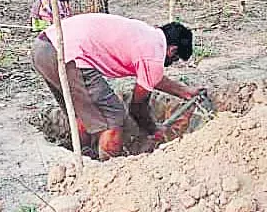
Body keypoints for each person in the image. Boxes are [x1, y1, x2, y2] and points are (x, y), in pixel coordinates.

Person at [31, 13, 203, 160]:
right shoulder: (153, 55)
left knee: (82, 109)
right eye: (174, 60)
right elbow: (137, 107)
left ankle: (84, 156)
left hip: (44, 47)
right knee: (113, 118)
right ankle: (109, 173)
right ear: (172, 50)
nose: (169, 64)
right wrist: (153, 129)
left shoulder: (147, 35)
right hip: (69, 56)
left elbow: (153, 77)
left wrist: (184, 92)